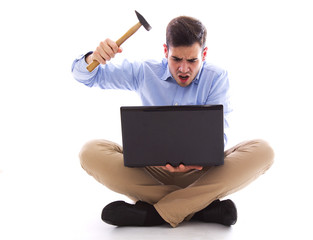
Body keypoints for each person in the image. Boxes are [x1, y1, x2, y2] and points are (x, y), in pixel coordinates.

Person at [71, 15, 274, 228]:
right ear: (165, 51)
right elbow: (85, 76)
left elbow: (218, 138)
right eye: (176, 59)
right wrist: (92, 57)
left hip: (201, 174)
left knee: (263, 151)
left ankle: (154, 214)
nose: (183, 69)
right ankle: (198, 207)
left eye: (192, 60)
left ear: (204, 54)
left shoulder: (216, 78)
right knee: (90, 152)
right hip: (152, 172)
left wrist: (200, 160)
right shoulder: (144, 71)